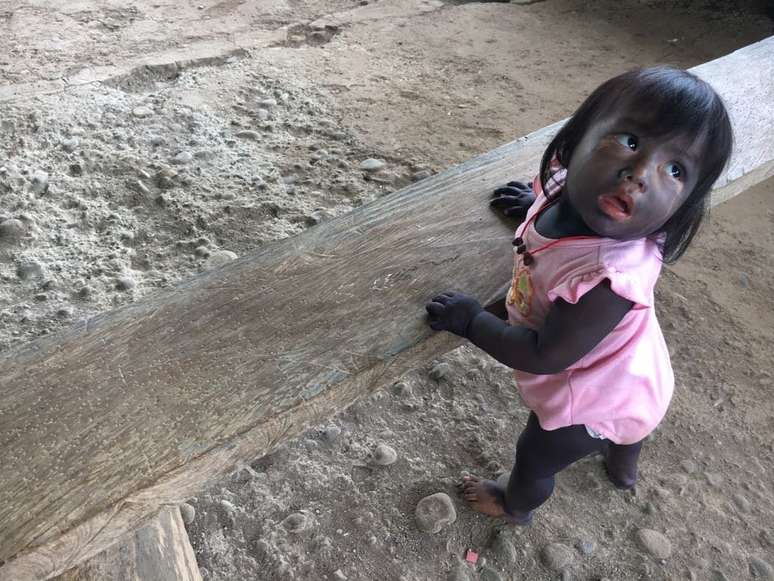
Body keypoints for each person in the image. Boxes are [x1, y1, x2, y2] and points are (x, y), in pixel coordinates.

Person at [425, 66, 733, 525]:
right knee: (630, 425)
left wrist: (471, 321)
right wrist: (530, 205)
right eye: (629, 140)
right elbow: (551, 201)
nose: (640, 173)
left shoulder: (608, 280)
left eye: (675, 169)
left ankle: (515, 506)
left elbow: (544, 355)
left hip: (592, 394)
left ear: (683, 207)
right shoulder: (564, 185)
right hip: (638, 375)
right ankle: (623, 469)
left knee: (536, 453)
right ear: (575, 142)